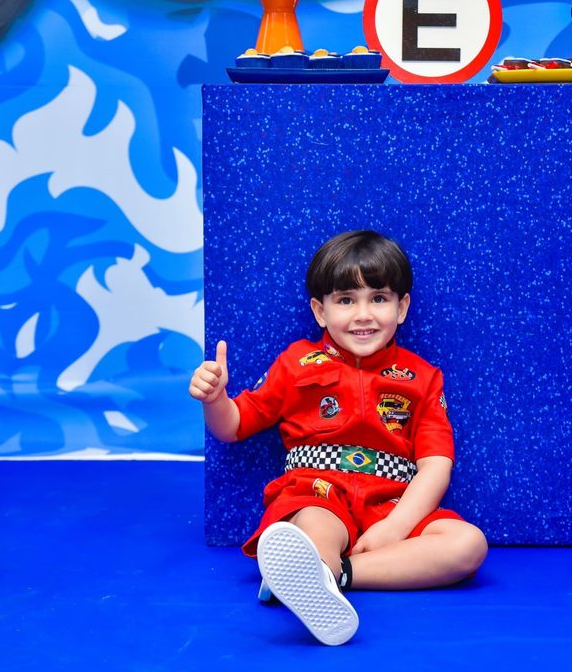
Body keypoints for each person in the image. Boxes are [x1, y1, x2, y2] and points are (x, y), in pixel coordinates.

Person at [189, 230, 487, 645]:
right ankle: (313, 567)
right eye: (346, 300)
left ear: (402, 307)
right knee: (315, 526)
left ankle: (331, 576)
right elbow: (234, 426)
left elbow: (435, 464)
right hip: (318, 492)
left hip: (391, 505)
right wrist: (215, 399)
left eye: (378, 298)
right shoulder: (296, 363)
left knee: (467, 544)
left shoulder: (422, 377)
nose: (363, 314)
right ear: (320, 311)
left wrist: (396, 526)